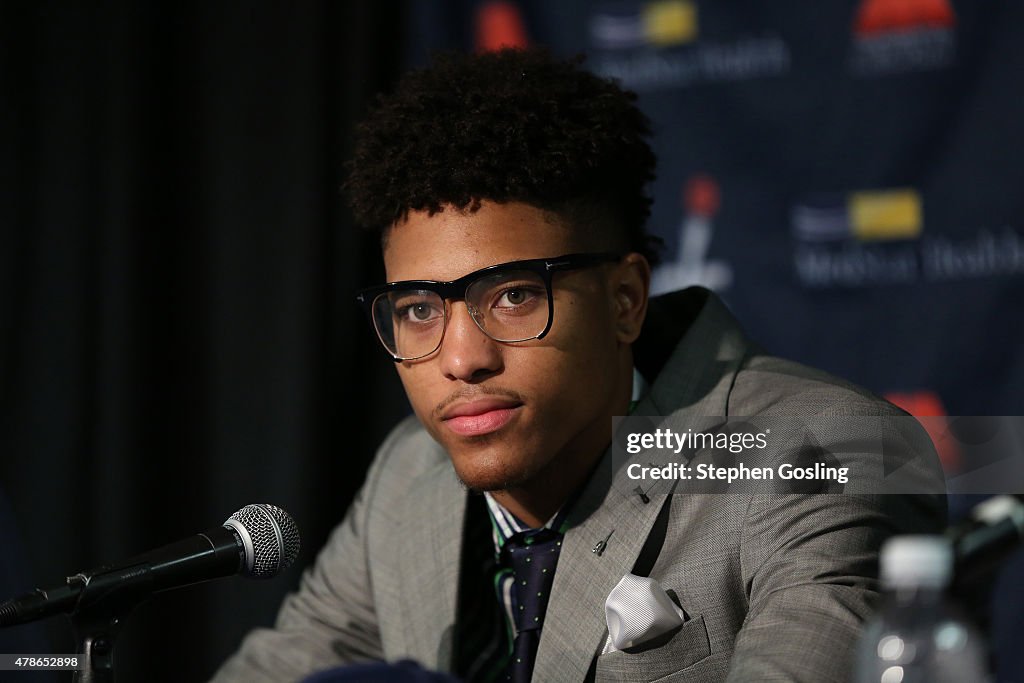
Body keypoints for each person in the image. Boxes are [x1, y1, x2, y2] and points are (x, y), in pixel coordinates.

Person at [211, 48, 945, 683]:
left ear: (625, 298)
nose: (463, 359)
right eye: (419, 309)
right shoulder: (409, 475)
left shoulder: (834, 449)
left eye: (515, 296)